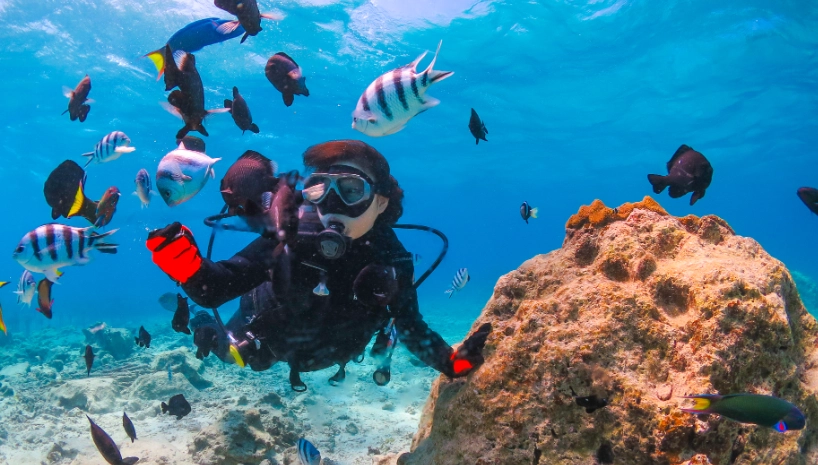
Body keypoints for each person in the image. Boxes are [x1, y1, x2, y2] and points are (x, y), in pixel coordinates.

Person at [146, 140, 490, 391]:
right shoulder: (292, 235)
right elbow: (218, 287)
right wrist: (185, 265)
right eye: (319, 189)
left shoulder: (393, 260)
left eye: (351, 189)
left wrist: (452, 363)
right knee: (232, 353)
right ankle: (201, 322)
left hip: (330, 351)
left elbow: (410, 326)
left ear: (381, 202)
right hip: (266, 337)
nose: (331, 203)